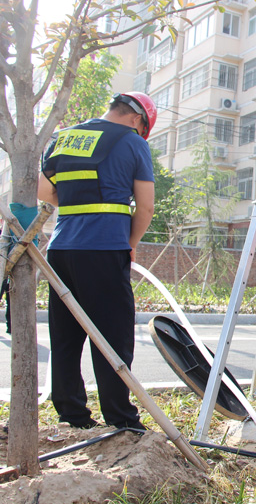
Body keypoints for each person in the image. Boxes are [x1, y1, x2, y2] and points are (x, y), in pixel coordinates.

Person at [37, 92, 156, 430]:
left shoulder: (64, 137)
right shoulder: (132, 143)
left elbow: (44, 193)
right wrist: (129, 244)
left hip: (60, 251)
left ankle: (72, 415)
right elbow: (145, 207)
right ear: (138, 120)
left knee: (65, 337)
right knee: (114, 337)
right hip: (104, 249)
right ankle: (120, 418)